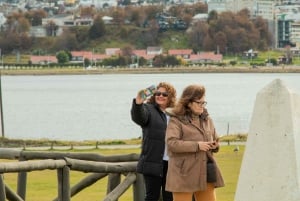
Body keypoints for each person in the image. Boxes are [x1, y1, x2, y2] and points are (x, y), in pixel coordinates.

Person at [165, 84, 224, 201]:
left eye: (204, 102)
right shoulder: (176, 120)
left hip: (205, 171)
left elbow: (215, 138)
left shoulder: (207, 119)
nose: (202, 106)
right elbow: (172, 144)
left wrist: (215, 145)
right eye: (199, 102)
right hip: (183, 174)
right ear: (188, 102)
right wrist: (197, 145)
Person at [131, 82, 177, 201]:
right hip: (153, 162)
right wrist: (138, 103)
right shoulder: (148, 109)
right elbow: (139, 117)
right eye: (157, 93)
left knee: (170, 197)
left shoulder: (175, 113)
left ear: (170, 97)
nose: (160, 96)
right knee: (152, 197)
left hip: (172, 163)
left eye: (164, 94)